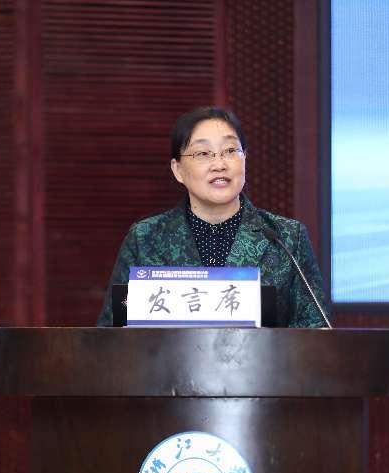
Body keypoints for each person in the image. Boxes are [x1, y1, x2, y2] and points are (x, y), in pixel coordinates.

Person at [96, 106, 328, 327]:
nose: (219, 164)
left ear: (244, 159)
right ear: (178, 170)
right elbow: (111, 334)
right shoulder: (145, 238)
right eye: (203, 153)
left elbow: (316, 334)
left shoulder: (286, 237)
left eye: (230, 151)